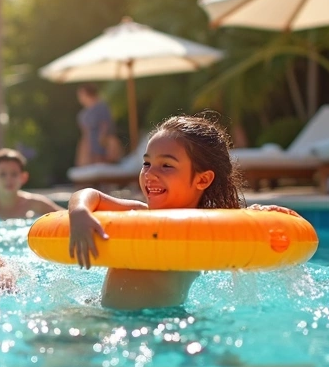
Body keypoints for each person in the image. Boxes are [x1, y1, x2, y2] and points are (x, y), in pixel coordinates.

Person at [67, 115, 297, 310]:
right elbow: (90, 194)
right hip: (108, 317)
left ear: (202, 179)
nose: (150, 174)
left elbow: (244, 233)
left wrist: (261, 217)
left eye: (166, 165)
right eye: (146, 164)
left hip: (165, 324)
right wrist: (79, 212)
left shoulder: (207, 231)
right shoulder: (139, 214)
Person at [0, 149, 65, 220]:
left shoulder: (37, 205)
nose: (9, 179)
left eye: (14, 174)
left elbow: (67, 218)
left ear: (24, 177)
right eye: (2, 174)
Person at [75, 84, 121, 167]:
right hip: (90, 147)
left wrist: (104, 142)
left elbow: (105, 126)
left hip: (102, 147)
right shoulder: (83, 114)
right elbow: (85, 133)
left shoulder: (102, 107)